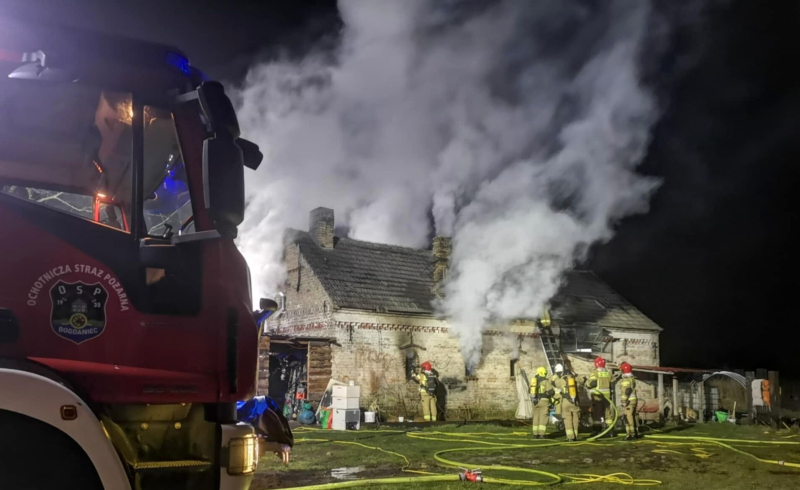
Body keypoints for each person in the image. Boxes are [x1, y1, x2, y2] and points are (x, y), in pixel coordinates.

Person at [552, 363, 581, 442]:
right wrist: (576, 375)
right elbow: (583, 380)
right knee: (575, 418)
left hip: (566, 401)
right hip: (575, 402)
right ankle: (575, 435)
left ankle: (570, 437)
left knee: (567, 419)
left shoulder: (562, 380)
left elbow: (554, 383)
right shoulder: (575, 379)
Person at [586, 356, 613, 437]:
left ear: (596, 364)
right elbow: (612, 385)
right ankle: (610, 431)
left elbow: (591, 384)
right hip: (607, 398)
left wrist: (586, 383)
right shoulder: (608, 373)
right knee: (608, 414)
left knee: (597, 414)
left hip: (597, 397)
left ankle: (597, 431)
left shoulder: (594, 373)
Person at [530, 366, 554, 439]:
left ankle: (535, 434)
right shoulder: (545, 381)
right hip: (544, 401)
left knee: (536, 417)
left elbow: (530, 391)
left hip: (535, 401)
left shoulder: (533, 381)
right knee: (543, 417)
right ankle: (541, 434)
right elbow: (551, 392)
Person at [618, 362, 639, 440]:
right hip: (633, 401)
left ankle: (630, 434)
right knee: (633, 416)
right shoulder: (632, 378)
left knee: (628, 417)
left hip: (628, 402)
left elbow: (626, 391)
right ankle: (635, 433)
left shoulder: (626, 380)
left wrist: (624, 401)